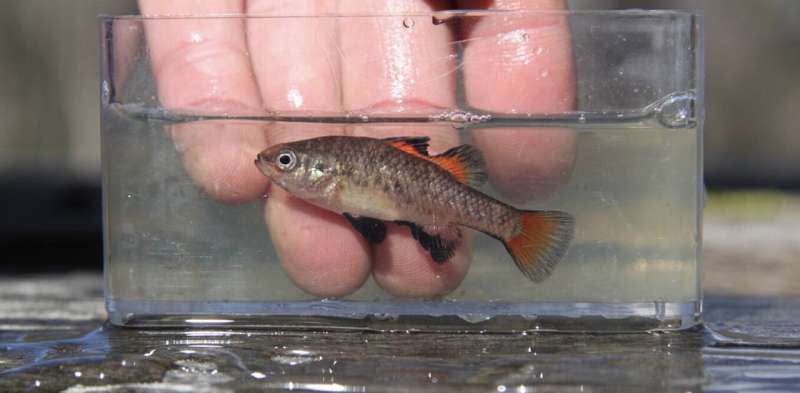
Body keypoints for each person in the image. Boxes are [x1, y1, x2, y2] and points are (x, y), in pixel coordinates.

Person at [139, 0, 576, 298]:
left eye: (286, 162)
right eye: (282, 161)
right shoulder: (330, 187)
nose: (273, 165)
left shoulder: (337, 185)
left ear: (323, 174)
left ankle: (518, 227)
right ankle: (514, 226)